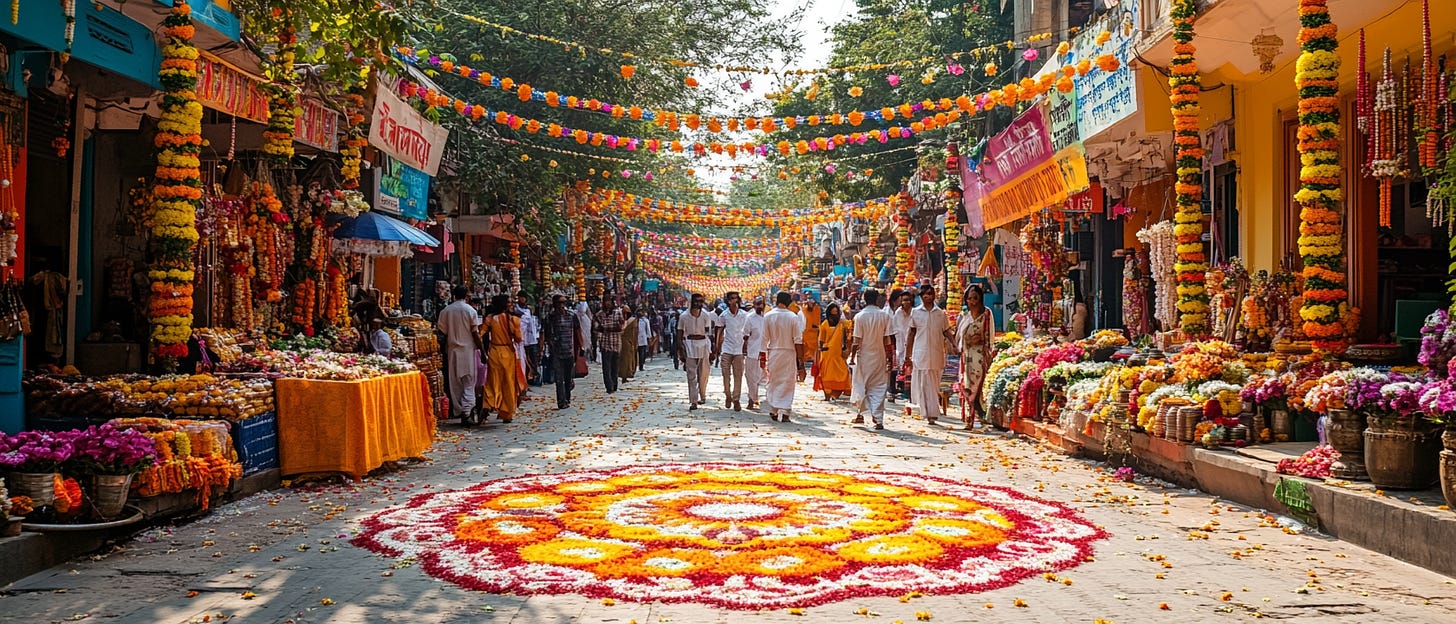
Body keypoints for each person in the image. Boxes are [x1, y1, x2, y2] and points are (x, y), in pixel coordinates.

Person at [903, 285, 954, 425]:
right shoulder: (916, 312)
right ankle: (929, 413)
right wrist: (907, 355)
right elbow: (911, 334)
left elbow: (946, 331)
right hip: (921, 353)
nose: (927, 296)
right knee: (925, 384)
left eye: (930, 294)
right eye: (924, 294)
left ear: (934, 296)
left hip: (937, 353)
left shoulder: (941, 314)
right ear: (921, 297)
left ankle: (932, 410)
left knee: (934, 384)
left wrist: (954, 344)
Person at [436, 286, 483, 426]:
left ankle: (461, 410)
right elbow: (475, 333)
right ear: (467, 296)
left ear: (453, 295)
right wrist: (483, 352)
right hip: (467, 350)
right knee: (469, 381)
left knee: (455, 383)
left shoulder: (446, 311)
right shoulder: (471, 311)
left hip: (452, 350)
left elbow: (442, 331)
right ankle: (467, 412)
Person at [849, 288, 893, 429]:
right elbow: (887, 340)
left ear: (864, 299)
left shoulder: (860, 317)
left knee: (862, 384)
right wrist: (890, 358)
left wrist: (852, 357)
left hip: (864, 356)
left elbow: (856, 341)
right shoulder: (884, 316)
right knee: (879, 385)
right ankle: (878, 418)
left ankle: (860, 414)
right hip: (880, 355)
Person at [956, 285, 995, 430]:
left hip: (980, 356)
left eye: (975, 298)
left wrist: (982, 343)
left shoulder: (986, 314)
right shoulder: (964, 316)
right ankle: (969, 418)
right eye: (969, 298)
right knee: (965, 386)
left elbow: (989, 336)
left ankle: (978, 416)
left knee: (976, 387)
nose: (972, 302)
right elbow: (959, 336)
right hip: (966, 356)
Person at [763, 291, 806, 422]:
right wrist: (800, 361)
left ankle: (774, 409)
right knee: (788, 381)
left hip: (774, 352)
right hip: (789, 353)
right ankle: (785, 410)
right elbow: (798, 341)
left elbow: (764, 338)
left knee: (774, 380)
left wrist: (762, 356)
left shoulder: (768, 316)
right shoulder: (793, 317)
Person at [481, 294, 522, 423]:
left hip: (494, 351)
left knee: (492, 380)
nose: (511, 304)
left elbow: (480, 334)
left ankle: (489, 403)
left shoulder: (490, 319)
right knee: (508, 382)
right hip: (508, 352)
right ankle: (507, 412)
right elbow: (519, 338)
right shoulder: (513, 320)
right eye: (508, 302)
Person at [677, 293, 718, 410]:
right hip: (689, 345)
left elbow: (709, 334)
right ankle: (694, 400)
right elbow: (679, 334)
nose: (699, 303)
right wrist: (681, 351)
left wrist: (713, 350)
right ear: (692, 301)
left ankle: (703, 395)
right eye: (697, 301)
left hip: (704, 345)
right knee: (691, 374)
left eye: (701, 301)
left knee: (704, 373)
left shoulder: (705, 316)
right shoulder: (683, 316)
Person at [715, 291, 751, 411]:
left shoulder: (744, 315)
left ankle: (736, 399)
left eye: (736, 299)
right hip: (727, 348)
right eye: (731, 299)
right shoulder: (724, 315)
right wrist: (716, 345)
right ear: (728, 301)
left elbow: (748, 331)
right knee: (725, 374)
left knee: (738, 375)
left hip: (739, 349)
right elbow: (719, 330)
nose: (734, 301)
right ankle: (728, 395)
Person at [544, 294, 581, 410]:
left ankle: (567, 397)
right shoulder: (550, 317)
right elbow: (546, 333)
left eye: (563, 303)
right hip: (556, 351)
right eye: (559, 303)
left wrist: (581, 345)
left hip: (569, 350)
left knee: (568, 377)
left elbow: (577, 330)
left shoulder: (571, 315)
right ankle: (561, 401)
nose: (562, 306)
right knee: (559, 378)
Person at [815, 302, 852, 401]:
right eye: (832, 313)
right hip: (827, 354)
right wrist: (820, 350)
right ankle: (827, 396)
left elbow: (851, 327)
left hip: (838, 354)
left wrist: (848, 315)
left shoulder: (842, 324)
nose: (834, 315)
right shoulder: (824, 324)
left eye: (836, 313)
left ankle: (835, 394)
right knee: (825, 375)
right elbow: (821, 340)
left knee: (843, 374)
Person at [887, 289, 914, 402]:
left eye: (907, 300)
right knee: (898, 368)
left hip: (912, 346)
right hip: (899, 345)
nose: (905, 303)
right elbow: (894, 330)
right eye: (903, 300)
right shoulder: (898, 313)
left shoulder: (915, 313)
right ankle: (895, 390)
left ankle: (909, 393)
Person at [594, 299, 625, 393]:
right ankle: (609, 387)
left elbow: (622, 326)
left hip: (616, 342)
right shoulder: (599, 314)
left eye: (609, 302)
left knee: (615, 366)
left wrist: (606, 328)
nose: (607, 303)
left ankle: (614, 384)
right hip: (605, 343)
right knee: (606, 367)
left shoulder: (618, 313)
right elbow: (596, 328)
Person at [744, 296, 767, 411]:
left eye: (762, 304)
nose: (760, 306)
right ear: (754, 305)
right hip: (752, 352)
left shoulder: (768, 317)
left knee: (763, 378)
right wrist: (744, 350)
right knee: (750, 377)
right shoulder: (749, 318)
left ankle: (768, 400)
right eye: (757, 304)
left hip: (766, 352)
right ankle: (751, 399)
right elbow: (745, 336)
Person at [517, 293, 542, 386]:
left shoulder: (529, 311)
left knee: (533, 358)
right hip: (521, 339)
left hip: (531, 339)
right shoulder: (516, 311)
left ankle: (533, 376)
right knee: (524, 358)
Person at [798, 294, 821, 379]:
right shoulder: (802, 311)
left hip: (815, 336)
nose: (811, 303)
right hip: (806, 336)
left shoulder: (817, 309)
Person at [619, 305, 639, 382]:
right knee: (624, 360)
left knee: (628, 360)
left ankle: (626, 375)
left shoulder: (631, 321)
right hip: (624, 343)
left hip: (629, 343)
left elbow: (635, 333)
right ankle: (623, 375)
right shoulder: (624, 321)